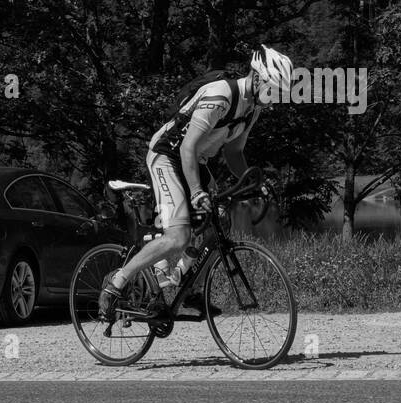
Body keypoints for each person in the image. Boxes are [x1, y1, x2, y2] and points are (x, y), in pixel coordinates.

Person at [98, 45, 293, 320]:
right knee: (178, 236)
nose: (275, 98)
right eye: (274, 89)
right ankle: (117, 282)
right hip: (168, 155)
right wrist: (197, 192)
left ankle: (187, 287)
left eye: (280, 93)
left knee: (220, 222)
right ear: (258, 77)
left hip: (194, 160)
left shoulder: (253, 108)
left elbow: (233, 152)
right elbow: (186, 147)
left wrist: (252, 182)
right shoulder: (221, 95)